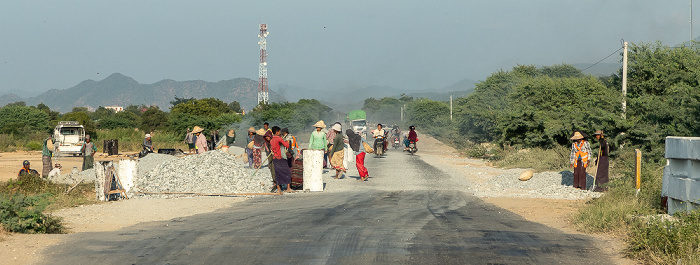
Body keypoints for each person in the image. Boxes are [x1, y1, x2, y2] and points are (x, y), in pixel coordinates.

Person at [270, 126, 293, 194]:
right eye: (279, 131)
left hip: (275, 158)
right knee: (287, 172)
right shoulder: (279, 139)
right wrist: (287, 141)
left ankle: (278, 189)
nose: (280, 133)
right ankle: (288, 188)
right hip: (281, 158)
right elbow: (287, 145)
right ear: (277, 132)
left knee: (278, 173)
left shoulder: (272, 140)